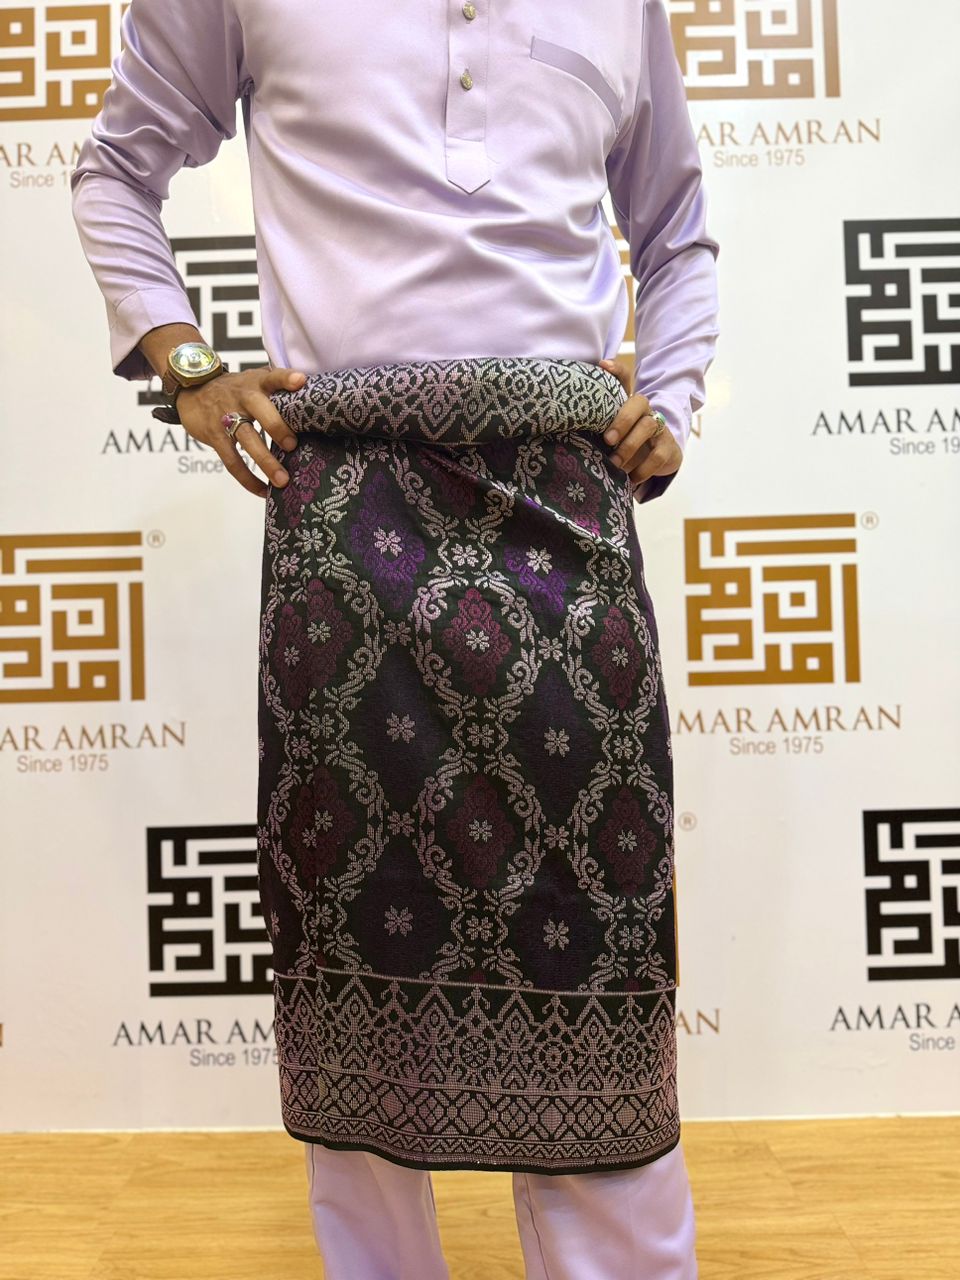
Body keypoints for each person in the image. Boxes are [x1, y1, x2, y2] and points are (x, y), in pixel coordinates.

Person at [71, 2, 719, 1276]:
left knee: (596, 942)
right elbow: (115, 171)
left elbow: (677, 225)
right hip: (349, 528)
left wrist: (678, 390)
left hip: (566, 513)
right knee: (358, 938)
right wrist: (190, 365)